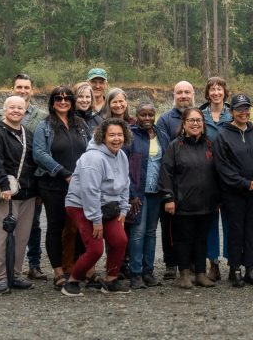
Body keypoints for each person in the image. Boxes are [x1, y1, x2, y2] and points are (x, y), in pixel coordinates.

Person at [61, 118, 132, 296]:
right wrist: (96, 220)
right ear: (102, 137)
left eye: (120, 135)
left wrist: (123, 210)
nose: (117, 139)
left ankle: (110, 280)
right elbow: (89, 191)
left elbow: (125, 185)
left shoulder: (121, 155)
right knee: (96, 249)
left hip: (108, 206)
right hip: (81, 205)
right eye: (112, 135)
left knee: (120, 240)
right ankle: (72, 281)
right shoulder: (93, 158)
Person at [33, 86, 92, 290]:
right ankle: (58, 272)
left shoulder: (81, 124)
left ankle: (85, 269)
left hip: (81, 184)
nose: (63, 101)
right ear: (52, 101)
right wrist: (64, 173)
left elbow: (91, 148)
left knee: (84, 226)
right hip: (53, 185)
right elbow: (39, 154)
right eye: (59, 98)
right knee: (55, 228)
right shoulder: (45, 126)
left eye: (67, 98)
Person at [0, 73, 48, 281]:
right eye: (19, 87)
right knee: (6, 230)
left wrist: (40, 187)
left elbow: (39, 154)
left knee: (29, 229)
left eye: (27, 88)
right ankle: (3, 275)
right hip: (6, 185)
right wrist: (2, 182)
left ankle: (27, 268)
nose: (23, 91)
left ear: (32, 91)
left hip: (30, 185)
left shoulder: (38, 120)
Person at [158, 108, 221, 289]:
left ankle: (200, 273)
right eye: (191, 120)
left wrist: (218, 199)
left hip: (206, 204)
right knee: (183, 240)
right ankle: (184, 274)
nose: (195, 123)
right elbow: (166, 174)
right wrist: (169, 198)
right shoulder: (175, 146)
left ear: (203, 123)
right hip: (182, 204)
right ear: (183, 124)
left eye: (199, 120)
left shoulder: (210, 145)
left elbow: (218, 173)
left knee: (201, 239)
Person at [214, 94, 253, 287]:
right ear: (231, 112)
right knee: (236, 231)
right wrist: (244, 183)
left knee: (251, 231)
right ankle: (235, 270)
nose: (244, 112)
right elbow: (223, 166)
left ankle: (250, 269)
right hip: (234, 193)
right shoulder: (224, 135)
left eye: (246, 108)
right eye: (239, 109)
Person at [0, 95, 39, 294]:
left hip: (27, 192)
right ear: (4, 110)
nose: (16, 111)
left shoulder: (28, 133)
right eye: (12, 107)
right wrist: (4, 184)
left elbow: (33, 162)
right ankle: (0, 278)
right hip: (4, 192)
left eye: (20, 108)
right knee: (4, 235)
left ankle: (15, 275)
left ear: (25, 111)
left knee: (22, 236)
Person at [156, 80, 197, 280]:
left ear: (193, 94)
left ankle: (190, 262)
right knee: (170, 225)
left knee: (192, 224)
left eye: (186, 92)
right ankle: (171, 262)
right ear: (174, 95)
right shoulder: (165, 120)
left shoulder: (199, 117)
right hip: (173, 180)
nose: (183, 96)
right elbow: (164, 154)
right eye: (179, 92)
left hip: (195, 183)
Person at [126, 101, 164, 289]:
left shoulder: (161, 135)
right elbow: (123, 168)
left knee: (151, 232)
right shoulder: (131, 136)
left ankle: (148, 271)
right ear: (137, 115)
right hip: (137, 193)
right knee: (137, 233)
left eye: (150, 115)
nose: (147, 118)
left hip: (156, 192)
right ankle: (135, 273)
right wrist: (131, 194)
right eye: (143, 115)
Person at [201, 76, 232, 281]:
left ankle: (233, 261)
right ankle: (213, 263)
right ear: (207, 93)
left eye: (219, 89)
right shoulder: (199, 115)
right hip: (206, 176)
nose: (216, 93)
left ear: (225, 92)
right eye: (212, 89)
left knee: (231, 221)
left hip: (230, 176)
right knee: (210, 221)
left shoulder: (233, 114)